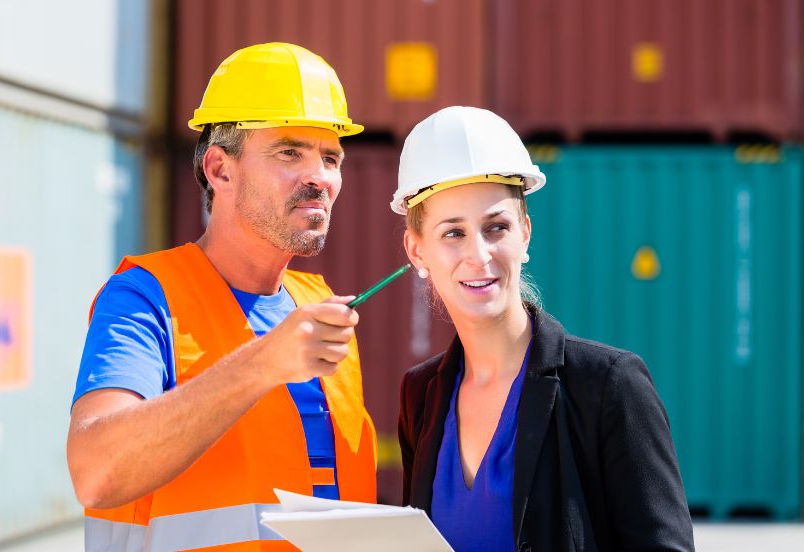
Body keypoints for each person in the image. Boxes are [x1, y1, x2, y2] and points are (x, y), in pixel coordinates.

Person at [66, 42, 377, 552]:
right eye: (289, 152)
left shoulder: (320, 307)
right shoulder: (145, 299)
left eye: (330, 157)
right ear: (219, 169)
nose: (319, 176)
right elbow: (96, 472)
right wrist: (262, 363)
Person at [394, 106, 694, 551]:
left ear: (525, 234)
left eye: (496, 227)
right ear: (416, 250)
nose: (479, 255)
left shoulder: (609, 385)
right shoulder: (421, 395)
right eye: (453, 233)